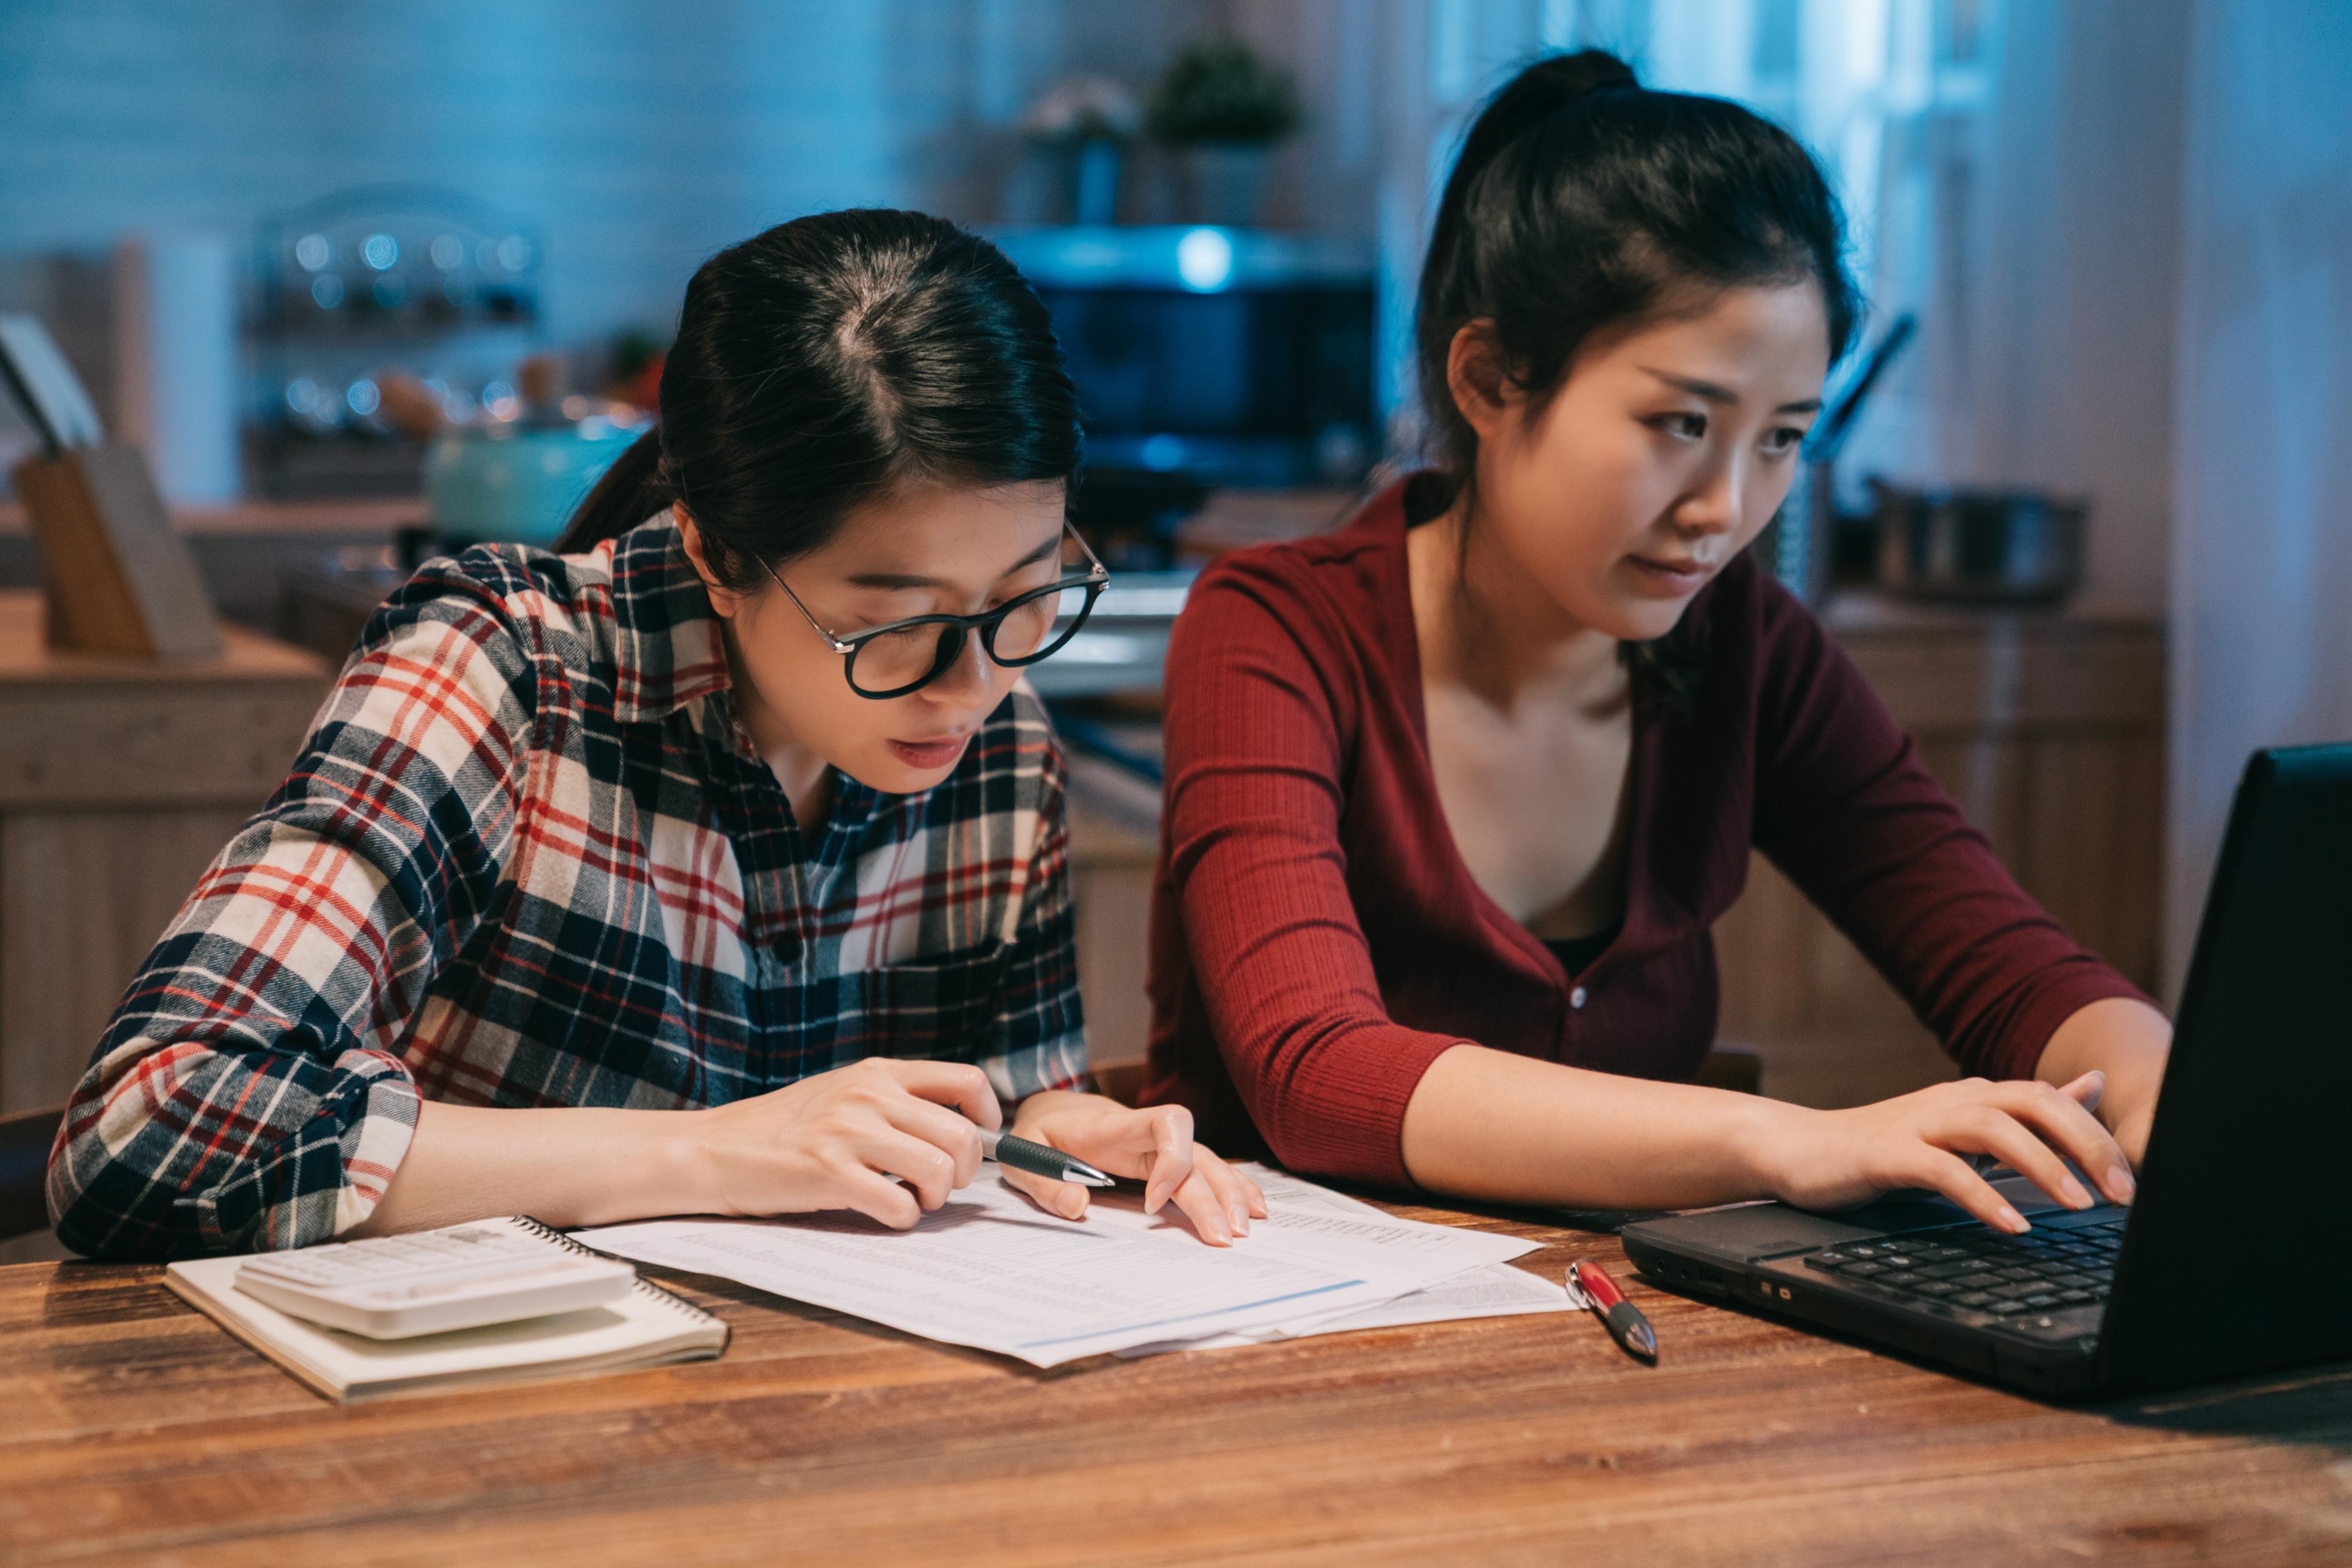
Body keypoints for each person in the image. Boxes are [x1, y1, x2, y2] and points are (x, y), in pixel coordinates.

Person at [50, 209, 1262, 1260]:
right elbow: (147, 1123)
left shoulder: (1001, 751)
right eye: (892, 627)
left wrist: (1061, 1133)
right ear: (717, 554)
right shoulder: (508, 672)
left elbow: (1003, 1093)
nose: (972, 684)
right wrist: (709, 1153)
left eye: (1028, 593)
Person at [1142, 53, 2169, 1233]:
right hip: (1283, 1354)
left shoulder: (1750, 649)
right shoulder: (1277, 631)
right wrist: (1785, 1141)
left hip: (1637, 1346)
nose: (1725, 509)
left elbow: (2014, 972)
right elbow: (1318, 1073)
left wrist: (2149, 1078)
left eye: (1782, 438)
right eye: (1681, 424)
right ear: (1488, 381)